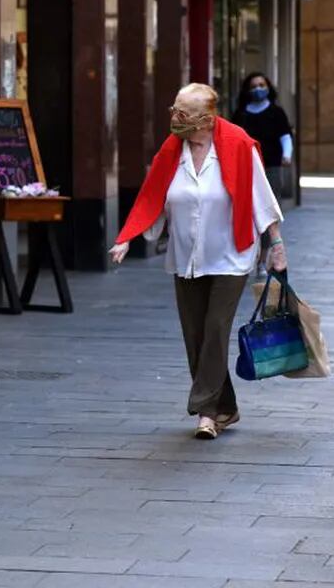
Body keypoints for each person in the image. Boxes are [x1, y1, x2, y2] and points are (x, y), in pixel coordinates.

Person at [109, 83, 286, 440]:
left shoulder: (238, 146)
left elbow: (261, 199)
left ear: (206, 119)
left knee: (216, 329)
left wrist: (276, 245)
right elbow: (152, 195)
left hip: (231, 255)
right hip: (186, 257)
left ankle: (205, 411)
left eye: (181, 113)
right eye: (173, 110)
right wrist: (127, 237)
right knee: (195, 334)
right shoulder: (172, 151)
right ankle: (227, 407)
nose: (173, 118)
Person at [232, 72, 294, 275]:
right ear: (247, 90)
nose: (258, 89)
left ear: (268, 87)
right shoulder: (241, 114)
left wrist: (287, 155)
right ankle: (246, 254)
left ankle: (262, 258)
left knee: (268, 212)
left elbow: (285, 136)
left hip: (271, 167)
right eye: (253, 86)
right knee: (245, 212)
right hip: (246, 168)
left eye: (261, 84)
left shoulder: (276, 112)